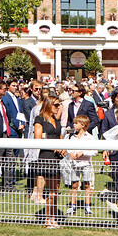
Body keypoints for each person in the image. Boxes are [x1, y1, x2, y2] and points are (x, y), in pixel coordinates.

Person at [33, 96, 65, 228]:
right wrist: (55, 147)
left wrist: (63, 148)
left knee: (55, 189)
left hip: (57, 157)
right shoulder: (40, 119)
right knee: (51, 189)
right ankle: (48, 219)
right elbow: (38, 139)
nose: (58, 107)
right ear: (49, 105)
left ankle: (53, 218)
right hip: (47, 155)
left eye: (59, 105)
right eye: (56, 105)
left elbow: (60, 136)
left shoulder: (56, 120)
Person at [62, 114, 96, 216]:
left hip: (85, 164)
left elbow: (94, 151)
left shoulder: (89, 137)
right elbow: (69, 148)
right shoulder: (72, 137)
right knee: (74, 184)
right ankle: (72, 206)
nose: (74, 125)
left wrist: (83, 152)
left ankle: (87, 205)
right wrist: (70, 152)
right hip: (75, 164)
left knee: (87, 184)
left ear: (83, 125)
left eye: (76, 123)